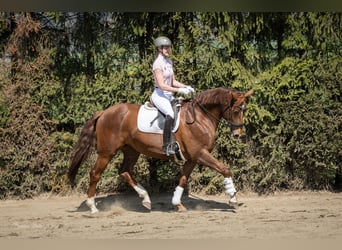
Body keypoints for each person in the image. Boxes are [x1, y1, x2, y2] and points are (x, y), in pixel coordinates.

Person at [151, 36, 195, 156]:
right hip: (159, 95)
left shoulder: (169, 62)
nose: (167, 50)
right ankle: (166, 146)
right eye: (165, 48)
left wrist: (186, 87)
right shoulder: (157, 64)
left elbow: (173, 81)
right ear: (159, 49)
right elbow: (162, 85)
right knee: (170, 114)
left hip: (169, 95)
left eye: (168, 47)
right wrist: (180, 90)